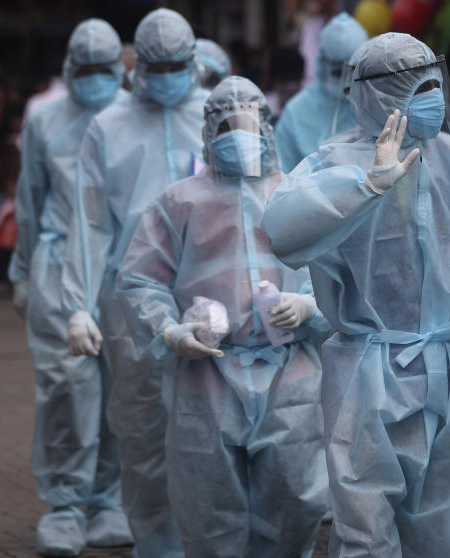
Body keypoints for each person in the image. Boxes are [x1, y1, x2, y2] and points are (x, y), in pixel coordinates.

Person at [262, 32, 450, 558]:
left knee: (445, 524)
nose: (432, 98)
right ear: (377, 96)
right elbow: (282, 232)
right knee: (365, 525)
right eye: (414, 87)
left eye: (432, 84)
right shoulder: (333, 164)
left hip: (447, 368)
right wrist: (364, 187)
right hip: (364, 371)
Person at [116, 76, 330, 557]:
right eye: (228, 125)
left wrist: (311, 303)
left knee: (296, 501)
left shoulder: (294, 193)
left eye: (249, 124)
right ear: (210, 130)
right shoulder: (180, 201)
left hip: (289, 372)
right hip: (208, 370)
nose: (240, 134)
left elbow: (332, 266)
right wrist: (170, 330)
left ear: (267, 128)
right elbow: (139, 279)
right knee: (208, 505)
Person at [62, 8, 210, 557]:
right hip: (130, 299)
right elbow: (91, 219)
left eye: (179, 63)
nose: (170, 73)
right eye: (160, 64)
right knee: (144, 429)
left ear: (193, 62)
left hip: (209, 295)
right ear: (138, 66)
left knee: (214, 426)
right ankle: (159, 547)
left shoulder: (216, 114)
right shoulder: (109, 126)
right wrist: (76, 303)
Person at [10, 18, 132, 557]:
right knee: (67, 390)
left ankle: (108, 500)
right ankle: (64, 505)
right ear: (67, 69)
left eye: (102, 70)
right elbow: (30, 200)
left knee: (120, 389)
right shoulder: (45, 121)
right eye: (83, 70)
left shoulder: (136, 117)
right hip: (60, 267)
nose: (92, 80)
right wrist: (21, 269)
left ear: (119, 71)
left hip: (123, 267)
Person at [275, 12, 368, 172]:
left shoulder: (375, 106)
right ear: (322, 65)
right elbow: (279, 175)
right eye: (338, 73)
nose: (345, 82)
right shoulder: (296, 112)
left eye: (352, 73)